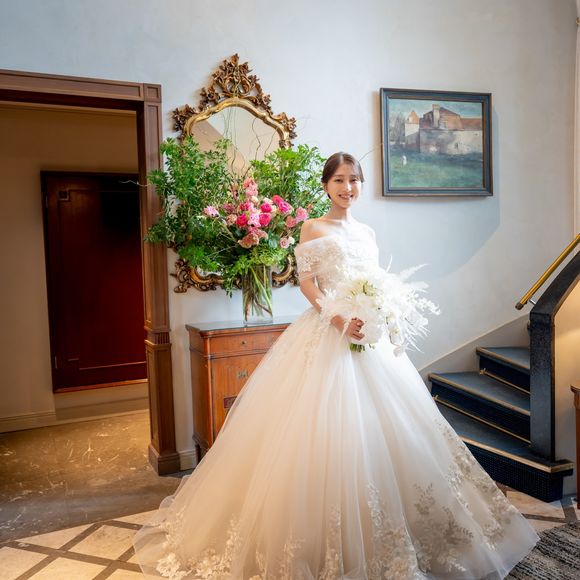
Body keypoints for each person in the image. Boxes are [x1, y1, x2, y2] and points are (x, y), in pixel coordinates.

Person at [134, 152, 539, 579]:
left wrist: (380, 314)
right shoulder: (313, 227)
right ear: (327, 185)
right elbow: (307, 283)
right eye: (340, 180)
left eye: (355, 180)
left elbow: (375, 282)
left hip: (368, 338)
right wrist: (339, 318)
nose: (348, 188)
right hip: (329, 331)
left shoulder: (367, 232)